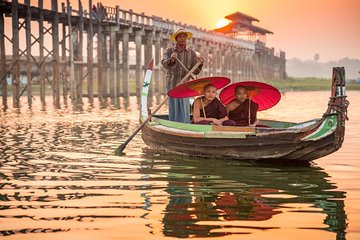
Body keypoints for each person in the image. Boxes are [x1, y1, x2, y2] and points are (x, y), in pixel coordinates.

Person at [161, 29, 204, 123]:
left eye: (184, 37)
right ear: (176, 39)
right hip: (172, 83)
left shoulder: (191, 53)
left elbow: (195, 72)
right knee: (174, 107)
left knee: (184, 108)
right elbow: (164, 63)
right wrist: (172, 59)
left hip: (185, 85)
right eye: (180, 37)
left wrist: (199, 64)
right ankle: (173, 125)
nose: (183, 38)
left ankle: (184, 124)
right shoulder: (169, 50)